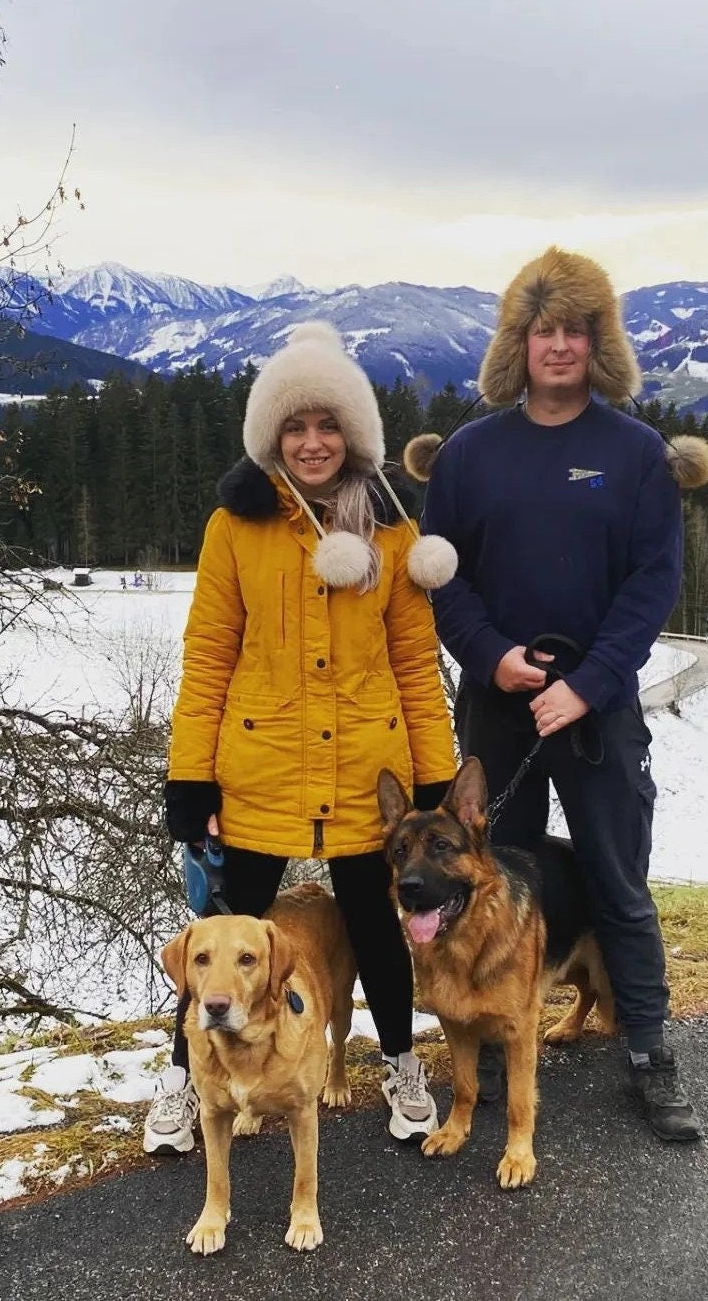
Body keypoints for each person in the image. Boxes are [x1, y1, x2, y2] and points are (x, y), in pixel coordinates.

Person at [407, 247, 708, 1142]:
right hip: (497, 706)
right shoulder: (469, 453)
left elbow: (654, 581)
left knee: (617, 878)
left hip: (597, 708)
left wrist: (588, 683)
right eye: (543, 329)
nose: (558, 345)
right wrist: (492, 656)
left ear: (597, 342)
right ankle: (497, 1044)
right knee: (491, 882)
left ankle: (649, 1051)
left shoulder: (633, 453)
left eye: (574, 329)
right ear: (519, 341)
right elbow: (442, 579)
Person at [146, 322, 460, 1155]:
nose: (312, 442)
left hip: (367, 776)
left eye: (328, 425)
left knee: (377, 935)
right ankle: (184, 1081)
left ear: (353, 434)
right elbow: (207, 655)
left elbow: (413, 664)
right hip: (258, 776)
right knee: (218, 945)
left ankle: (399, 1067)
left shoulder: (390, 534)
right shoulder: (234, 526)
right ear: (271, 436)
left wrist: (431, 782)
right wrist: (191, 780)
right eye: (295, 426)